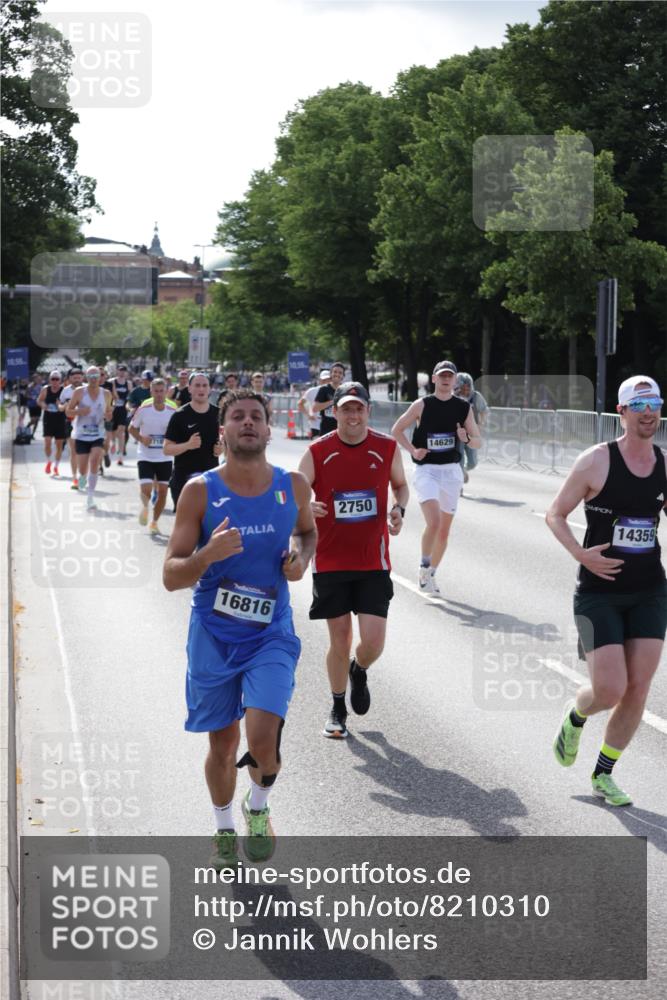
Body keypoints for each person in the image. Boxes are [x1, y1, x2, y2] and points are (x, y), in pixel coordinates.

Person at [163, 388, 316, 867]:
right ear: (222, 432)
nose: (247, 422)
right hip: (213, 633)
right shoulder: (200, 491)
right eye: (237, 417)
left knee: (264, 741)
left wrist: (300, 561)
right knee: (223, 742)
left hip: (271, 631)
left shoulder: (292, 485)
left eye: (256, 416)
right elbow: (170, 575)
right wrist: (208, 555)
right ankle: (223, 823)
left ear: (269, 429)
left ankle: (259, 807)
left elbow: (308, 532)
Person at [547, 376, 667, 807]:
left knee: (639, 686)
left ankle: (604, 774)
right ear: (622, 412)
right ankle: (577, 715)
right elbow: (555, 515)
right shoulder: (595, 461)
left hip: (650, 590)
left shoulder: (664, 464)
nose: (649, 411)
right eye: (640, 405)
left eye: (654, 403)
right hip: (598, 592)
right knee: (610, 689)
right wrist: (583, 554)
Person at [298, 381, 409, 739]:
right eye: (346, 408)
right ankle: (336, 705)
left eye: (358, 408)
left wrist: (398, 509)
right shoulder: (318, 451)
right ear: (335, 412)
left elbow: (401, 486)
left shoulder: (387, 448)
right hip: (331, 560)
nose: (353, 415)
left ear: (367, 412)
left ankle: (358, 670)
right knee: (340, 639)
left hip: (373, 561)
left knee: (373, 642)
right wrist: (305, 506)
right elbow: (297, 491)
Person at [391, 360, 481, 594]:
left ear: (454, 380)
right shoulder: (422, 405)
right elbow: (396, 430)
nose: (446, 379)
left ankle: (430, 573)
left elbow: (478, 440)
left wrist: (466, 438)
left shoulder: (463, 408)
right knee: (434, 522)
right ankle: (423, 564)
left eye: (450, 375)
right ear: (434, 379)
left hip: (451, 471)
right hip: (426, 470)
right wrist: (413, 450)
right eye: (441, 375)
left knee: (443, 531)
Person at [163, 372, 223, 508]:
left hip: (210, 480)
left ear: (209, 389)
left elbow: (230, 444)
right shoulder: (179, 416)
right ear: (189, 388)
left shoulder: (218, 414)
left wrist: (222, 448)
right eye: (197, 385)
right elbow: (166, 449)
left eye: (204, 385)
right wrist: (188, 445)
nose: (201, 389)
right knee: (186, 528)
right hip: (183, 481)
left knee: (206, 526)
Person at [128, 378, 178, 534]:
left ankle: (154, 523)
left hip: (165, 457)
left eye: (161, 391)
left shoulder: (173, 411)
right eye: (155, 391)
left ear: (166, 392)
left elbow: (179, 432)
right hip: (146, 455)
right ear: (151, 392)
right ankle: (145, 507)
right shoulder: (143, 409)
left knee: (163, 491)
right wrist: (142, 439)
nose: (158, 394)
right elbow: (132, 428)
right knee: (147, 490)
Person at [66, 366, 113, 510]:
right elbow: (68, 411)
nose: (93, 379)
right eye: (91, 376)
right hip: (81, 434)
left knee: (94, 461)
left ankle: (90, 497)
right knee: (83, 468)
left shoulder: (106, 394)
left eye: (96, 376)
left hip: (97, 434)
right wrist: (80, 411)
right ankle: (82, 476)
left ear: (100, 378)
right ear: (86, 378)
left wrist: (108, 416)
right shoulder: (79, 392)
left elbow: (109, 413)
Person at [455, 373, 487, 484]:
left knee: (473, 462)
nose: (466, 390)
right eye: (463, 387)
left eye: (468, 387)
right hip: (458, 435)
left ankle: (463, 470)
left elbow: (484, 410)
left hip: (472, 434)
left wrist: (481, 424)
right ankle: (459, 483)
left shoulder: (476, 396)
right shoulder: (453, 397)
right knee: (459, 460)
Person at [37, 371, 66, 476]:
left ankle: (56, 466)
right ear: (50, 380)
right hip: (48, 419)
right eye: (53, 379)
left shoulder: (64, 390)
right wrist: (43, 405)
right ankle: (49, 461)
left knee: (59, 445)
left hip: (60, 420)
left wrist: (62, 405)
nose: (54, 381)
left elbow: (68, 402)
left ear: (60, 380)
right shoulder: (46, 389)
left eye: (57, 379)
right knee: (47, 443)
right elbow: (39, 400)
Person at [59, 368, 83, 487]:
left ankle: (83, 474)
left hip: (85, 423)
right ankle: (75, 478)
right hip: (70, 422)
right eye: (74, 377)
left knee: (84, 452)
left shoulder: (88, 389)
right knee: (73, 451)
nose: (77, 379)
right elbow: (60, 405)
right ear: (70, 379)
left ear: (82, 378)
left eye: (79, 377)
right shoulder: (65, 391)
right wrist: (64, 406)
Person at [311, 363, 346, 436]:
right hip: (326, 430)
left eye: (340, 373)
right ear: (331, 374)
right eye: (335, 372)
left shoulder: (345, 390)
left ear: (343, 376)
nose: (337, 374)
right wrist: (332, 402)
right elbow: (315, 408)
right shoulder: (324, 389)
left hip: (342, 430)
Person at [110, 364, 133, 464]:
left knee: (122, 431)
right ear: (117, 371)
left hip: (123, 409)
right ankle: (113, 443)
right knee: (112, 431)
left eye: (124, 370)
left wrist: (130, 407)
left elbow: (130, 396)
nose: (122, 372)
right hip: (112, 409)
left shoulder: (128, 383)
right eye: (120, 370)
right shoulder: (112, 382)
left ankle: (120, 456)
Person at [298, 371, 330, 439]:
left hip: (330, 424)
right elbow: (300, 404)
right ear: (320, 381)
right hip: (316, 424)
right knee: (316, 448)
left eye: (328, 380)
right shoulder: (312, 391)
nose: (326, 382)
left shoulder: (334, 392)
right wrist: (308, 415)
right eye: (324, 380)